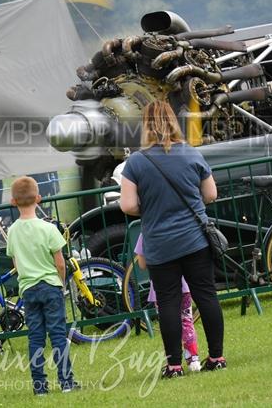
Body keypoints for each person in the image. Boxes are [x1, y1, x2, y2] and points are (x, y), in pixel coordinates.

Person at [119, 101, 224, 377]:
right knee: (206, 295)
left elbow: (128, 205)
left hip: (160, 243)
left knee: (167, 302)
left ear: (146, 126)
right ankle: (217, 357)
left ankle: (174, 365)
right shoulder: (191, 153)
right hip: (195, 239)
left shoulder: (136, 163)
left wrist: (151, 206)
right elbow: (211, 194)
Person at [6, 176, 76, 395]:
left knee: (35, 337)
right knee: (57, 334)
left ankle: (40, 386)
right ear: (38, 198)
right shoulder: (48, 229)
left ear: (13, 202)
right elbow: (60, 262)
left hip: (28, 289)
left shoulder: (12, 231)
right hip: (51, 285)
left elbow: (15, 261)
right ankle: (66, 382)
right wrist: (61, 282)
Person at [134, 234, 200, 372]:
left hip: (161, 284)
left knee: (168, 321)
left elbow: (142, 263)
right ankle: (193, 358)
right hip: (184, 283)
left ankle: (173, 363)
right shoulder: (179, 225)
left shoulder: (147, 230)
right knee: (187, 319)